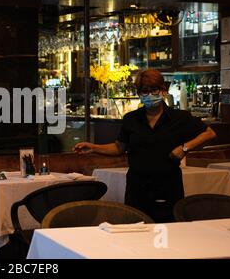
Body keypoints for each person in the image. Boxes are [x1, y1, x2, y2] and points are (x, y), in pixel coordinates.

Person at [73, 69, 217, 222]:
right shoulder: (131, 119)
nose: (149, 95)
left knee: (167, 236)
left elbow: (209, 133)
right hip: (137, 188)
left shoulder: (179, 118)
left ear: (163, 90)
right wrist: (94, 148)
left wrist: (184, 148)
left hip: (167, 186)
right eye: (144, 91)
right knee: (135, 233)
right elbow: (119, 147)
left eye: (154, 90)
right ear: (139, 93)